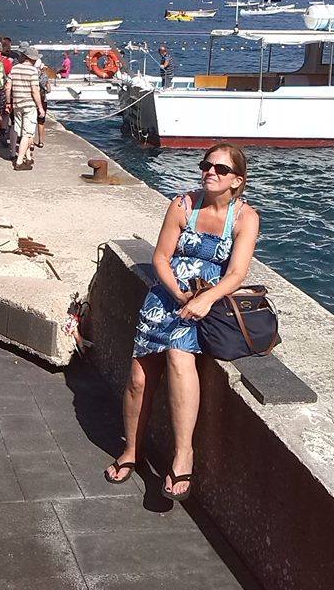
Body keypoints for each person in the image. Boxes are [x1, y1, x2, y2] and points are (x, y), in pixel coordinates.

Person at [105, 144, 259, 501]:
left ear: (237, 180)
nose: (210, 172)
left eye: (221, 169)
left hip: (207, 301)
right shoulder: (183, 205)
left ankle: (183, 454)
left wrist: (203, 299)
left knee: (179, 355)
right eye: (207, 165)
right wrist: (177, 294)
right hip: (168, 297)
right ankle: (131, 450)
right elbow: (160, 257)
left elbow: (236, 273)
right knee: (139, 378)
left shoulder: (245, 218)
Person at [5, 46, 44, 171]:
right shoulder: (33, 71)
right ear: (32, 59)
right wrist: (40, 107)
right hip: (29, 105)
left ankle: (28, 156)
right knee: (27, 134)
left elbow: (7, 87)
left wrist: (8, 102)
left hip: (17, 104)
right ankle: (20, 161)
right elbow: (35, 91)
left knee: (20, 130)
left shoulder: (14, 68)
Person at [35, 60, 51, 148]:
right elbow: (49, 90)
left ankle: (31, 143)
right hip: (43, 100)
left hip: (33, 100)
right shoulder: (45, 76)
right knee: (41, 122)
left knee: (31, 121)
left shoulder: (32, 75)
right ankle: (41, 141)